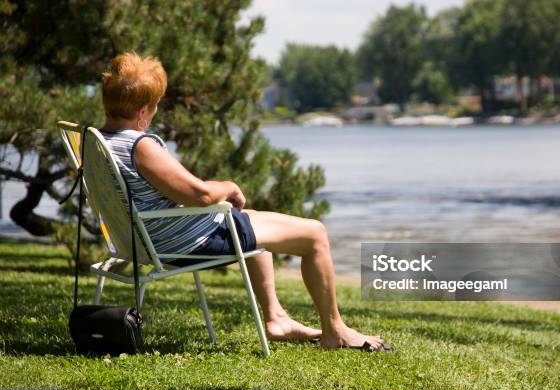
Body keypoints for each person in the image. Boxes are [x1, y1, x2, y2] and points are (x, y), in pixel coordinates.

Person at [99, 51, 392, 352]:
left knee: (250, 220)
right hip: (183, 243)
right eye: (157, 106)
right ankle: (335, 331)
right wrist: (229, 185)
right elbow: (199, 195)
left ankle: (276, 317)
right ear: (144, 110)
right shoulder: (140, 145)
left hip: (145, 239)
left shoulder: (101, 140)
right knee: (315, 234)